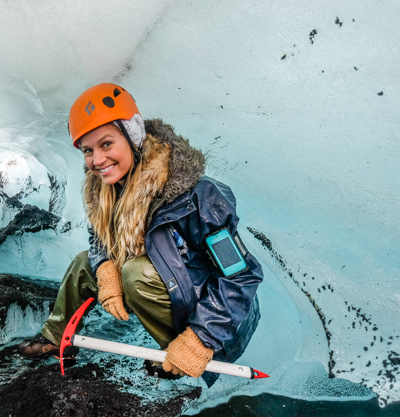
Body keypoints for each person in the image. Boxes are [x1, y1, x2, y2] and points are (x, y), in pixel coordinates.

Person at [18, 83, 263, 385]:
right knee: (84, 264)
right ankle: (56, 339)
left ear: (133, 134)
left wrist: (201, 338)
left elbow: (241, 276)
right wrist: (105, 269)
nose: (97, 160)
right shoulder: (104, 192)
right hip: (167, 289)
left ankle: (178, 358)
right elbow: (98, 239)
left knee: (136, 273)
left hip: (216, 326)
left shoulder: (198, 198)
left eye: (106, 144)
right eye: (88, 151)